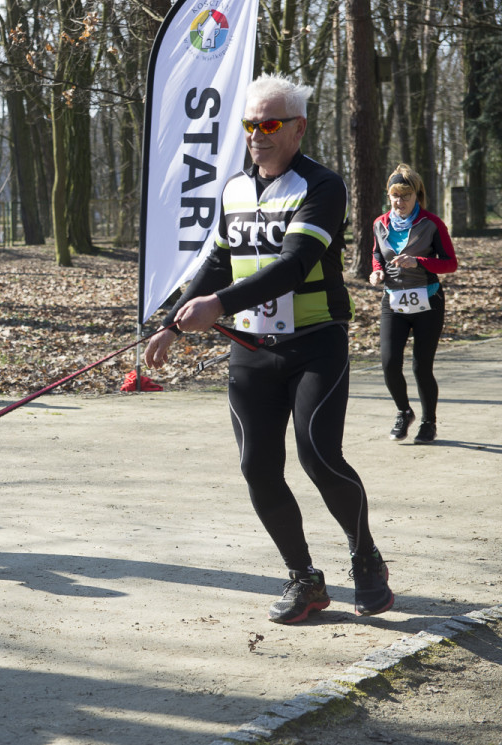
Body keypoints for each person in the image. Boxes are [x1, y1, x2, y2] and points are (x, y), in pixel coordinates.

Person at [143, 74, 393, 624]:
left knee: (318, 455)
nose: (258, 134)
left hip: (314, 345)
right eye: (250, 124)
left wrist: (219, 305)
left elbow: (294, 264)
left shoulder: (322, 187)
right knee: (257, 466)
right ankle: (304, 579)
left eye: (270, 124)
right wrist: (172, 323)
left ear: (298, 129)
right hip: (251, 350)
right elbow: (215, 262)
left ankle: (366, 558)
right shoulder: (233, 187)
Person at [369, 165, 457, 445]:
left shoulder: (432, 223)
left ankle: (428, 422)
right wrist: (376, 271)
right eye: (395, 195)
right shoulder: (379, 223)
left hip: (428, 301)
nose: (400, 201)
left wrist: (418, 261)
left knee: (421, 366)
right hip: (393, 302)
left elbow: (450, 263)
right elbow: (377, 255)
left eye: (405, 196)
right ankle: (404, 411)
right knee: (388, 362)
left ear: (417, 196)